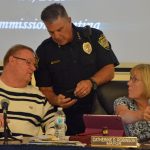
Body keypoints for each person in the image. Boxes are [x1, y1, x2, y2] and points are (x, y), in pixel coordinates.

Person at [34, 3, 119, 135]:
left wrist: (91, 82)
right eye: (51, 32)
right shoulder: (44, 50)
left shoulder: (93, 37)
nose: (56, 36)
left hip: (97, 111)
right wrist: (55, 100)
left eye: (60, 29)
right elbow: (45, 89)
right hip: (65, 118)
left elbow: (109, 70)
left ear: (69, 20)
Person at [0, 44, 55, 137]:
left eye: (34, 65)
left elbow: (55, 121)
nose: (33, 68)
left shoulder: (38, 96)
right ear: (12, 60)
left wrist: (50, 137)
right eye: (28, 62)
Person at [114, 64, 150, 142]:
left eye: (135, 79)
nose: (128, 83)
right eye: (130, 79)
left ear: (147, 82)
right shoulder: (123, 102)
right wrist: (142, 114)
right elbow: (122, 116)